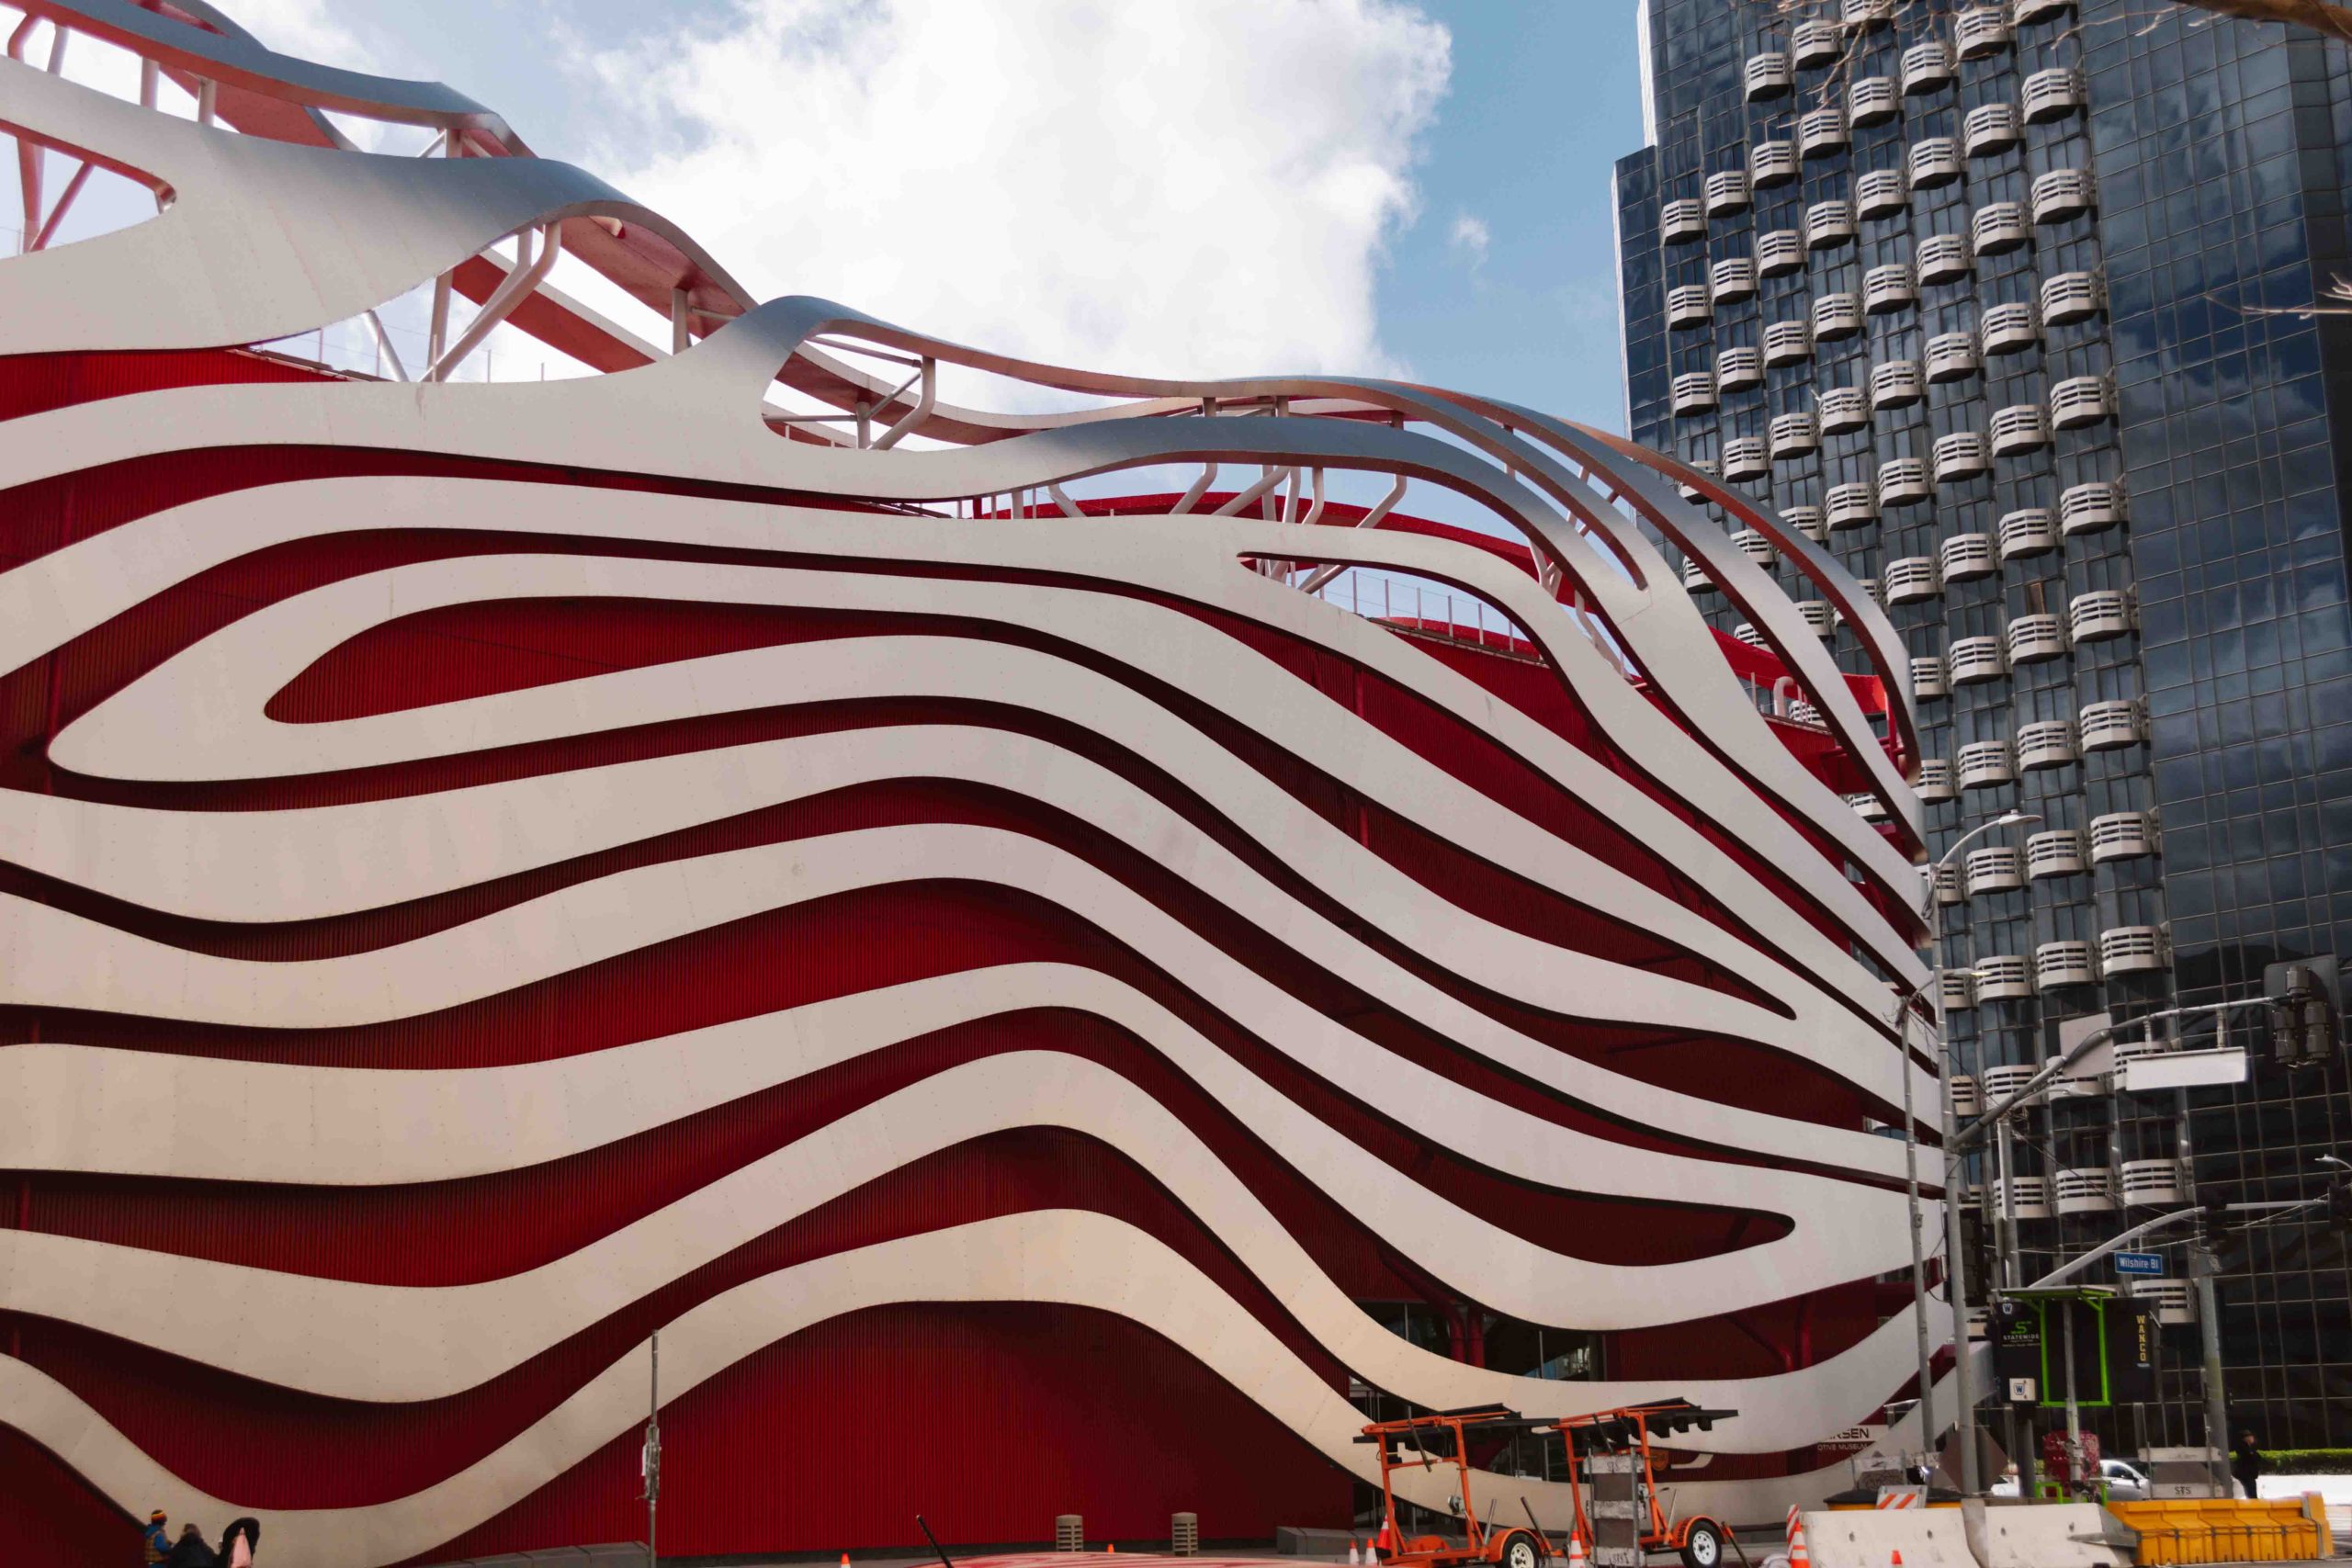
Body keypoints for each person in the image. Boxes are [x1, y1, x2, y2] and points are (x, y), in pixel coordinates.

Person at [2232, 1429, 2267, 1500]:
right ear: (2245, 1438)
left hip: (2249, 1474)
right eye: (2250, 1436)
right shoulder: (2243, 1447)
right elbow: (2251, 1457)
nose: (2252, 1438)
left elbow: (2257, 1457)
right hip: (2246, 1473)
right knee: (2251, 1490)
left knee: (2251, 1490)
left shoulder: (2250, 1448)